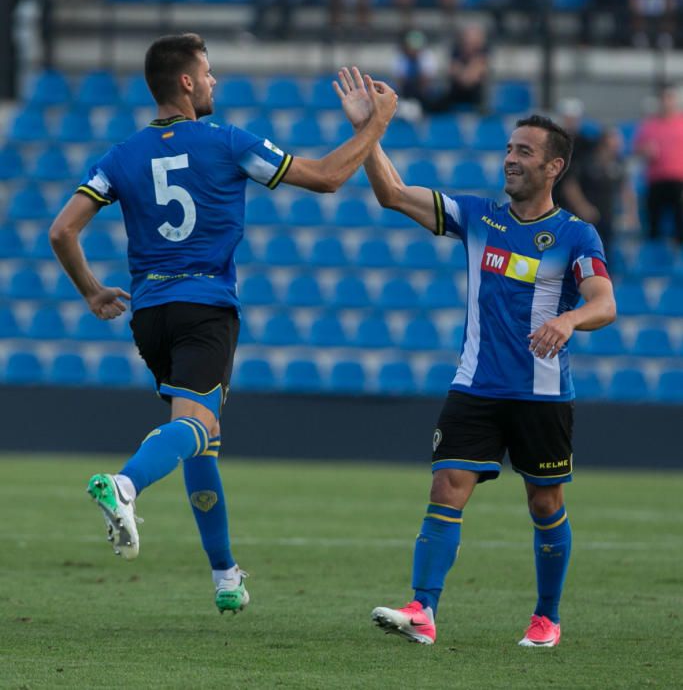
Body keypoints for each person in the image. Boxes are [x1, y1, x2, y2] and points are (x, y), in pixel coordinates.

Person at [49, 35, 396, 614]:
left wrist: (90, 292)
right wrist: (375, 125)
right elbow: (329, 177)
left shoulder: (120, 156)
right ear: (185, 82)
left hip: (150, 313)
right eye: (207, 72)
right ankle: (126, 485)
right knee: (197, 423)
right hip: (206, 305)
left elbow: (62, 230)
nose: (213, 82)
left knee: (200, 441)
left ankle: (225, 575)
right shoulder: (228, 142)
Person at [333, 67, 616, 647]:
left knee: (545, 502)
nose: (510, 158)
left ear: (553, 167)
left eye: (524, 151)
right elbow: (392, 194)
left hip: (541, 394)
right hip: (475, 386)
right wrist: (369, 135)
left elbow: (604, 302)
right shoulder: (477, 217)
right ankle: (423, 610)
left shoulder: (576, 236)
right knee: (447, 487)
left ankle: (546, 617)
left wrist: (567, 318)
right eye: (509, 148)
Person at [577, 127, 639, 261]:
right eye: (615, 141)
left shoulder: (619, 163)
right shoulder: (587, 161)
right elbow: (570, 186)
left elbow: (626, 189)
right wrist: (583, 207)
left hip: (608, 216)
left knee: (606, 254)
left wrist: (631, 213)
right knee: (585, 253)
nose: (619, 145)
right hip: (587, 217)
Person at [634, 83, 683, 244]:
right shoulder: (649, 125)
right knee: (653, 222)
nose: (666, 102)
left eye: (669, 98)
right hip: (656, 180)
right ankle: (654, 256)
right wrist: (645, 152)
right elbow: (637, 150)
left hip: (678, 180)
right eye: (663, 98)